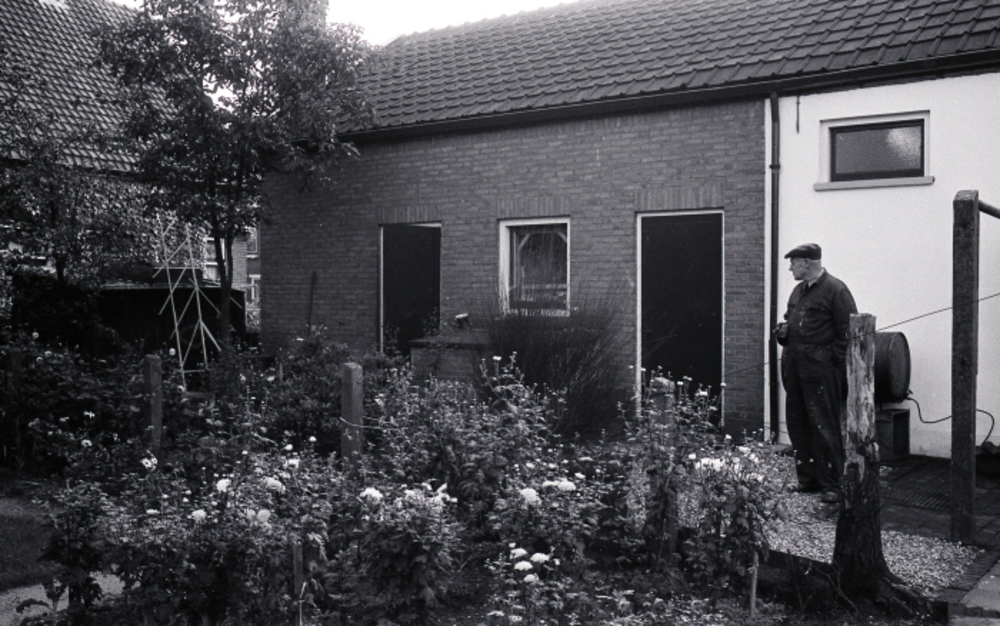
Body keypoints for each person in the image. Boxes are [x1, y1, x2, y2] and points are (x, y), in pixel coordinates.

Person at [775, 243, 857, 504]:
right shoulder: (798, 290)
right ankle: (807, 480)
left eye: (793, 263)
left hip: (821, 372)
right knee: (798, 425)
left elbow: (849, 332)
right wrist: (783, 333)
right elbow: (791, 321)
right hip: (795, 369)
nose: (790, 268)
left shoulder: (836, 290)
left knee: (824, 426)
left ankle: (832, 485)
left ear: (807, 263)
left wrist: (830, 360)